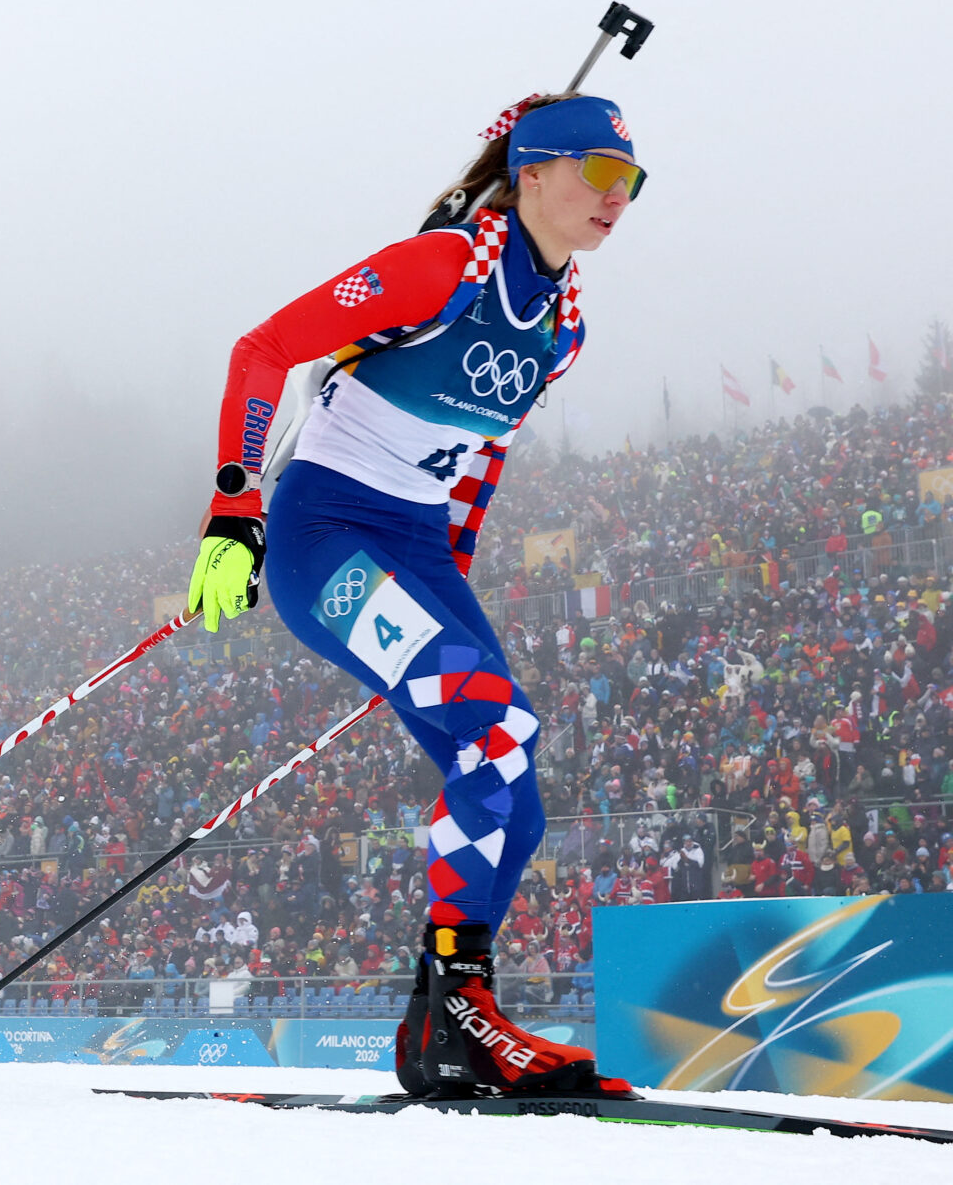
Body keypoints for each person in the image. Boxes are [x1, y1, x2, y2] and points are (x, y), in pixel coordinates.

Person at [185, 90, 643, 1100]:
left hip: (416, 548)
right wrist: (233, 511)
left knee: (511, 775)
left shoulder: (561, 326)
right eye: (601, 174)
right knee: (492, 726)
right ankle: (454, 1015)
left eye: (632, 181)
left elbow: (483, 454)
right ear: (532, 171)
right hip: (322, 533)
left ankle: (448, 1016)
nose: (621, 196)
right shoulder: (442, 264)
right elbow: (262, 350)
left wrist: (450, 569)